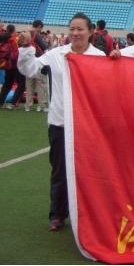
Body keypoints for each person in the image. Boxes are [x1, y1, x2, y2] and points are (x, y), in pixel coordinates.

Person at [17, 12, 105, 231]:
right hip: (60, 123)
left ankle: (88, 215)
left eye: (80, 29)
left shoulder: (100, 57)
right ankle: (57, 214)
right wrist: (26, 48)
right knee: (60, 171)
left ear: (91, 31)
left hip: (89, 126)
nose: (75, 33)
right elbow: (29, 69)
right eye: (72, 29)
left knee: (91, 171)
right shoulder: (56, 54)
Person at [25, 20, 50, 112]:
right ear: (39, 26)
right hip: (38, 62)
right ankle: (41, 106)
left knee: (29, 85)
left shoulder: (26, 34)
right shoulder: (36, 35)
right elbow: (44, 47)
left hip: (28, 63)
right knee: (40, 85)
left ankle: (28, 106)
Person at [0, 24, 26, 109]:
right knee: (22, 83)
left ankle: (1, 102)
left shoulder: (3, 39)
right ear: (14, 30)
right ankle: (13, 103)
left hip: (7, 65)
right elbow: (15, 54)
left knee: (7, 84)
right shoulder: (13, 40)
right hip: (15, 65)